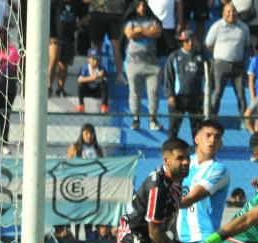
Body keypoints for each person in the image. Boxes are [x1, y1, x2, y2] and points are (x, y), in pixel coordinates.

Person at [206, 2, 252, 120]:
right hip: (221, 65)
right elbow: (209, 44)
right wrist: (220, 55)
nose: (231, 14)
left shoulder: (244, 27)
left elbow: (247, 44)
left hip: (238, 65)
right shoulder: (216, 26)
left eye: (234, 11)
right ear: (223, 13)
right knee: (217, 93)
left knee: (241, 94)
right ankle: (212, 117)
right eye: (228, 12)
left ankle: (243, 119)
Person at [123, 0, 163, 131]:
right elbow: (130, 33)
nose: (141, 8)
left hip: (152, 64)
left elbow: (156, 32)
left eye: (144, 5)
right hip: (134, 64)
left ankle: (153, 119)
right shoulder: (130, 21)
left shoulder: (153, 20)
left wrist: (139, 30)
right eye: (139, 5)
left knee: (153, 92)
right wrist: (146, 31)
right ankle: (136, 118)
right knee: (134, 92)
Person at [164, 29, 205, 139]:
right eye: (187, 41)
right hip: (178, 98)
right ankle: (171, 150)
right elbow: (168, 77)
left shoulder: (201, 57)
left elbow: (207, 77)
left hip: (196, 97)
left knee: (197, 129)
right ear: (182, 42)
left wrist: (204, 93)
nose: (190, 43)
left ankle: (198, 153)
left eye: (192, 40)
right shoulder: (174, 56)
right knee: (174, 128)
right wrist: (170, 95)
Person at [0, 27, 18, 156]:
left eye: (4, 35)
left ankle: (4, 144)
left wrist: (2, 58)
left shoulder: (12, 50)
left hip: (9, 89)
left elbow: (14, 61)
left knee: (5, 117)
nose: (1, 38)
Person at [48, 0, 86, 97]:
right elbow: (49, 18)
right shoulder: (54, 3)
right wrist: (51, 36)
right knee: (52, 62)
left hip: (69, 38)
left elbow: (87, 16)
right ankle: (48, 88)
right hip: (55, 38)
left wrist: (77, 25)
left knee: (64, 65)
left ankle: (60, 90)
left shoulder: (76, 3)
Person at [86, 0, 126, 84]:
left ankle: (119, 75)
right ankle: (95, 75)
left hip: (116, 13)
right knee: (96, 45)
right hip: (97, 12)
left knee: (117, 44)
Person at [76, 48, 109, 114]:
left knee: (104, 84)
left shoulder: (101, 68)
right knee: (81, 85)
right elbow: (79, 80)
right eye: (93, 59)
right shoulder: (84, 68)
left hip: (97, 91)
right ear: (88, 59)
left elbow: (105, 78)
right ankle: (81, 105)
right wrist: (93, 77)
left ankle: (104, 105)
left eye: (97, 59)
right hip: (87, 90)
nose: (95, 62)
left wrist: (101, 75)